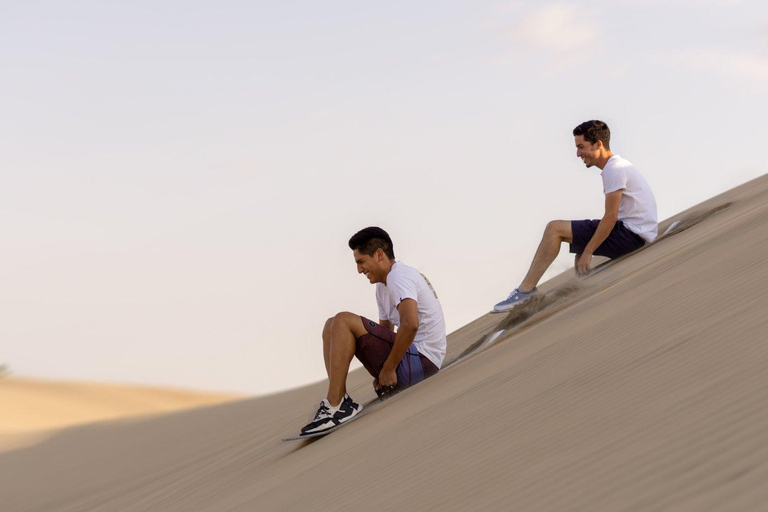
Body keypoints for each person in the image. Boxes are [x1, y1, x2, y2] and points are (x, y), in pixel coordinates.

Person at [493, 120, 658, 313]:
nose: (578, 154)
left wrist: (589, 252)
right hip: (636, 232)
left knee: (554, 229)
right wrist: (585, 249)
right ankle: (587, 295)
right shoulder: (618, 166)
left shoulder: (615, 169)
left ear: (598, 144)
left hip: (631, 235)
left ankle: (525, 291)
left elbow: (610, 218)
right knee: (579, 247)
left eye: (581, 147)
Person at [301, 227, 447, 436]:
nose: (359, 270)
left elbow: (410, 324)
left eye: (361, 262)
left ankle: (335, 404)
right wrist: (380, 365)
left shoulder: (399, 276)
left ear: (379, 254)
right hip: (411, 362)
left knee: (343, 320)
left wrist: (388, 368)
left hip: (424, 362)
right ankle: (340, 400)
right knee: (330, 324)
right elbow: (383, 331)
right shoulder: (383, 286)